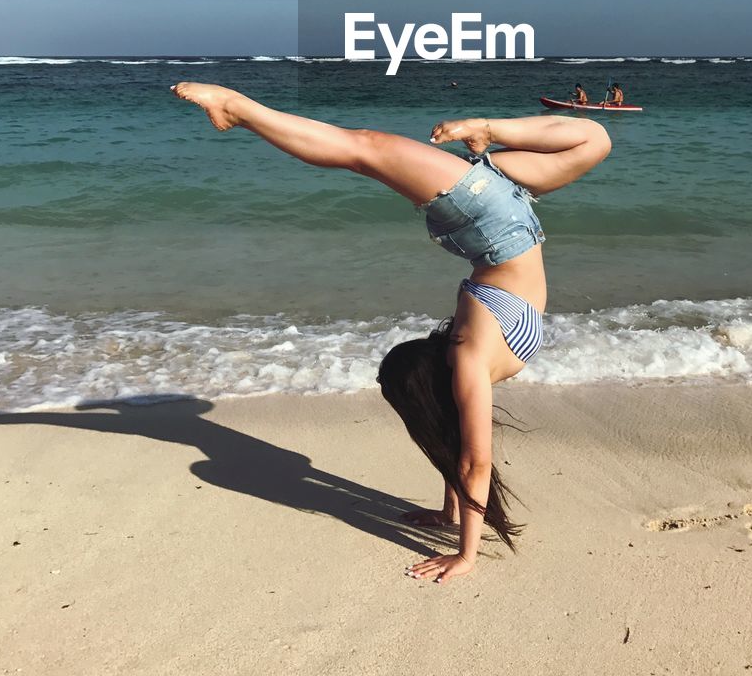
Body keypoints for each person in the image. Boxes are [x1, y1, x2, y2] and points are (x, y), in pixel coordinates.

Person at [171, 82, 610, 583]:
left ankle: (240, 110)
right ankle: (239, 109)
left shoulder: (477, 359)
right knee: (363, 149)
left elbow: (459, 442)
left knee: (591, 140)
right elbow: (473, 462)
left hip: (507, 221)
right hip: (496, 217)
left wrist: (451, 518)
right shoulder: (468, 355)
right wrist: (464, 555)